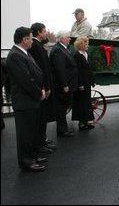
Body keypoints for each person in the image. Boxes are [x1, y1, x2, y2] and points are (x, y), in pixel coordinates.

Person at [6, 27, 47, 172]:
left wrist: (40, 89)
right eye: (30, 38)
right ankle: (27, 161)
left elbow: (34, 74)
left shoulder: (23, 53)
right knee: (25, 134)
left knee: (32, 132)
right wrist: (39, 93)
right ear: (24, 40)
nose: (31, 41)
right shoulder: (15, 55)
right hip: (25, 101)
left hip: (30, 100)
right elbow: (26, 80)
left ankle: (32, 156)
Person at [28, 23, 56, 154]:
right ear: (39, 32)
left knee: (42, 117)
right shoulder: (36, 46)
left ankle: (42, 141)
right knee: (40, 118)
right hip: (42, 87)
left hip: (43, 86)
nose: (45, 33)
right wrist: (47, 87)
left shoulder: (37, 45)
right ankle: (40, 144)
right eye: (44, 31)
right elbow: (41, 69)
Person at [49, 30, 78, 137]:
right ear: (61, 38)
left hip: (66, 84)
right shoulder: (58, 50)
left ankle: (63, 129)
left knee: (63, 107)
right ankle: (62, 130)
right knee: (61, 108)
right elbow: (60, 69)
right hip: (62, 86)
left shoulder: (61, 49)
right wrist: (65, 84)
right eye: (68, 37)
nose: (70, 39)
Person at [71, 36, 96, 130]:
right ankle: (81, 122)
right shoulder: (77, 56)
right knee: (81, 103)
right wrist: (80, 84)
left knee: (86, 102)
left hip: (87, 83)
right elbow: (77, 71)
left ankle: (87, 121)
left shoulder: (86, 54)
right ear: (81, 45)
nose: (87, 46)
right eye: (86, 44)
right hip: (81, 83)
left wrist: (92, 81)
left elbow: (89, 70)